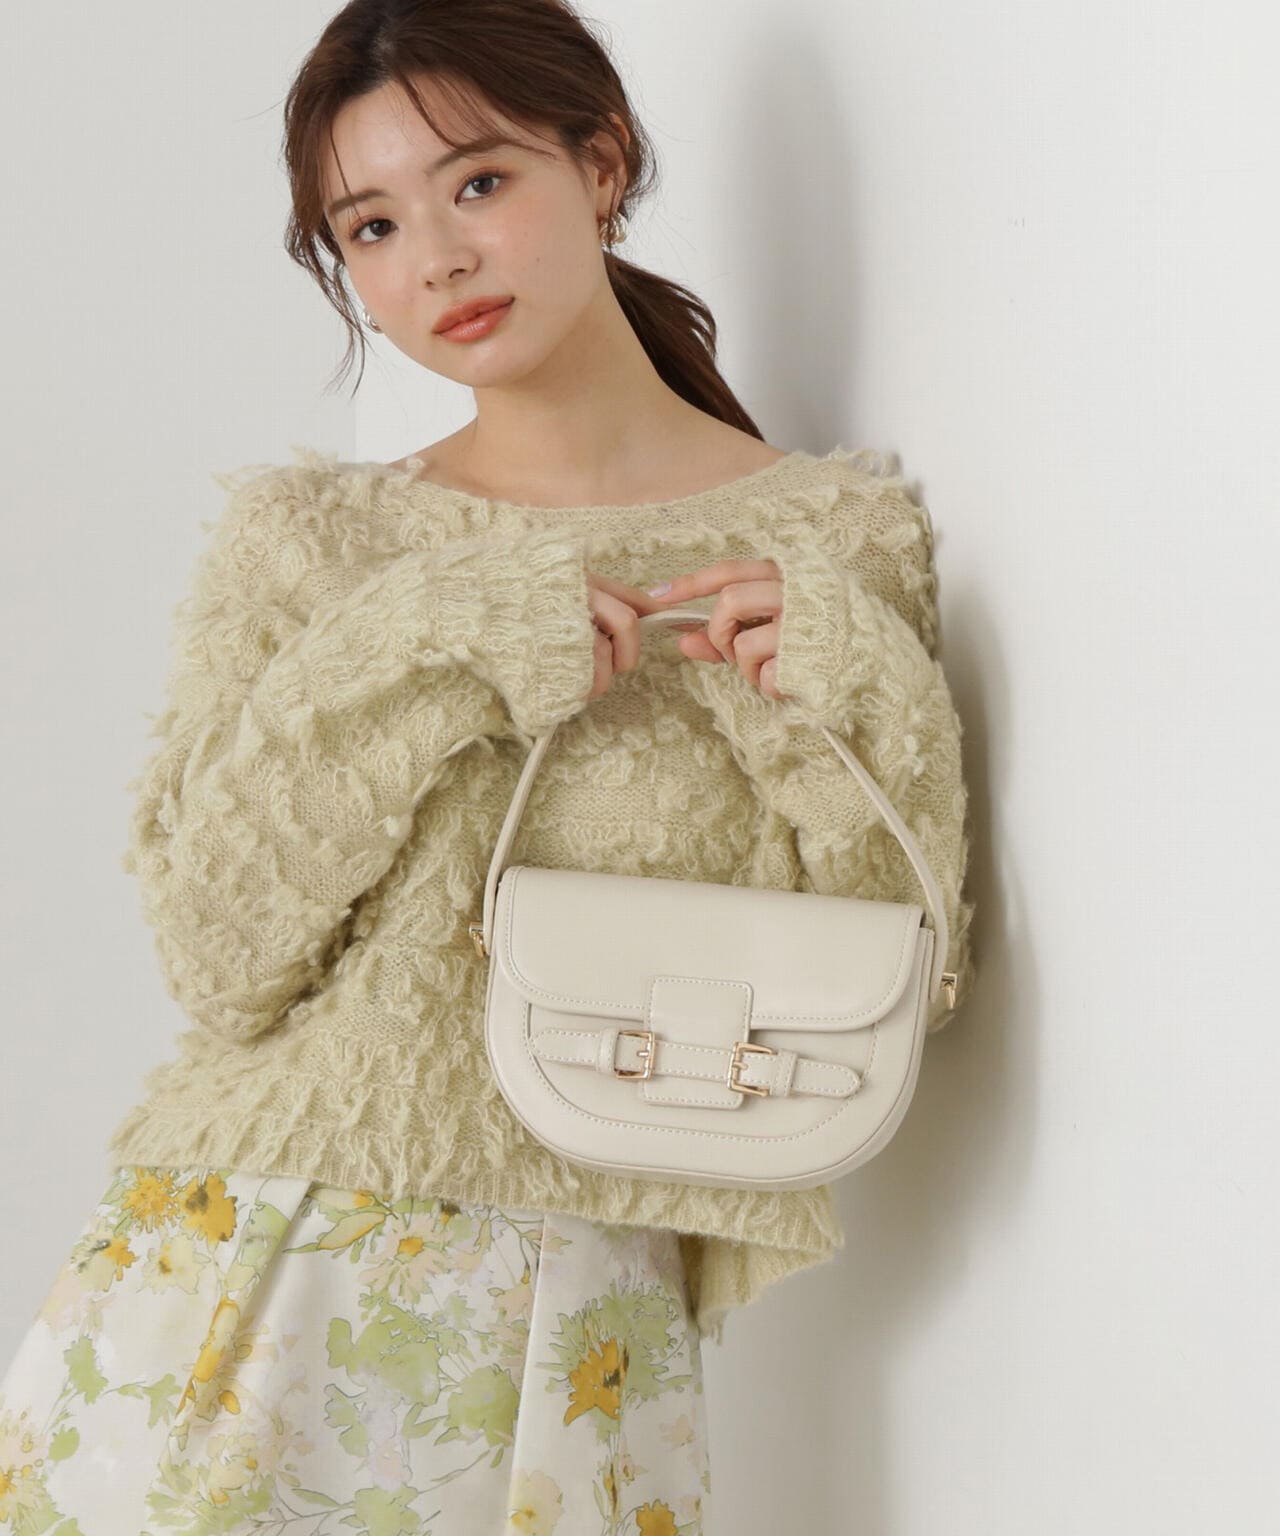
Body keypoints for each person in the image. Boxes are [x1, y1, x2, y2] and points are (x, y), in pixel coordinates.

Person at [0, 0, 977, 1530]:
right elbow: (218, 952)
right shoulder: (313, 543)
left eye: (478, 183)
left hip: (581, 1319)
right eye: (372, 226)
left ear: (603, 164)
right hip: (253, 1274)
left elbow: (895, 973)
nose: (439, 259)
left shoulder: (830, 548)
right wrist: (438, 634)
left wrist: (841, 679)